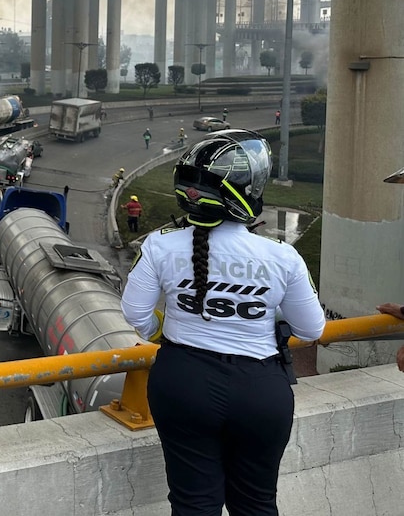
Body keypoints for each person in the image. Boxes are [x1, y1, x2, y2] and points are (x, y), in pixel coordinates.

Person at [120, 129, 325, 515]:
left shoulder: (160, 244)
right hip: (260, 389)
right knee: (257, 504)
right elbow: (312, 330)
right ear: (247, 191)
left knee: (193, 504)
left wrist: (161, 330)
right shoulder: (282, 257)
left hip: (182, 381)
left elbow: (134, 314)